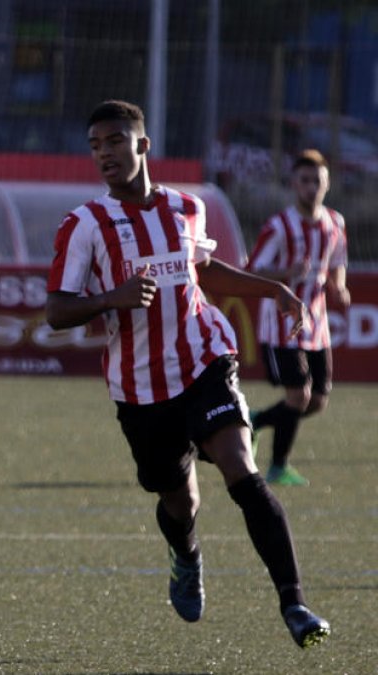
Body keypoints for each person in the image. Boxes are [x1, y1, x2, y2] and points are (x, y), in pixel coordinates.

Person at [45, 100, 330, 649]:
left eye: (115, 141)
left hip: (205, 361)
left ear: (142, 145)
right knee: (180, 502)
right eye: (96, 146)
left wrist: (271, 288)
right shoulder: (84, 225)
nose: (104, 154)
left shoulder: (186, 207)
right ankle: (185, 553)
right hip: (140, 389)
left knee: (242, 469)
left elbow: (201, 270)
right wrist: (111, 298)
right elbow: (57, 310)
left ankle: (294, 603)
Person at [245, 149, 349, 487]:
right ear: (294, 184)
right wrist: (286, 272)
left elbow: (337, 262)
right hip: (282, 326)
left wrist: (339, 287)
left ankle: (256, 420)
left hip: (317, 326)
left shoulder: (335, 223)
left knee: (317, 400)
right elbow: (253, 269)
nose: (311, 187)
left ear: (327, 184)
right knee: (298, 396)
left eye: (317, 181)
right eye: (305, 180)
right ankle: (278, 468)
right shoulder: (279, 226)